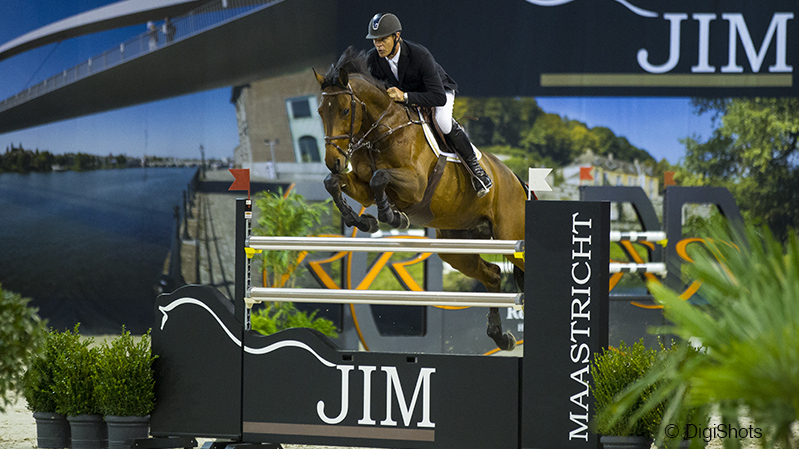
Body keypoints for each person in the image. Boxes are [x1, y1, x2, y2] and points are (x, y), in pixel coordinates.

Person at [365, 12, 492, 197]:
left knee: (443, 121)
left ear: (397, 36)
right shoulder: (373, 58)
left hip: (437, 92)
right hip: (406, 97)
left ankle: (478, 171)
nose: (378, 45)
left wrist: (406, 96)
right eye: (375, 40)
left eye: (383, 39)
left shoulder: (419, 55)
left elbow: (438, 97)